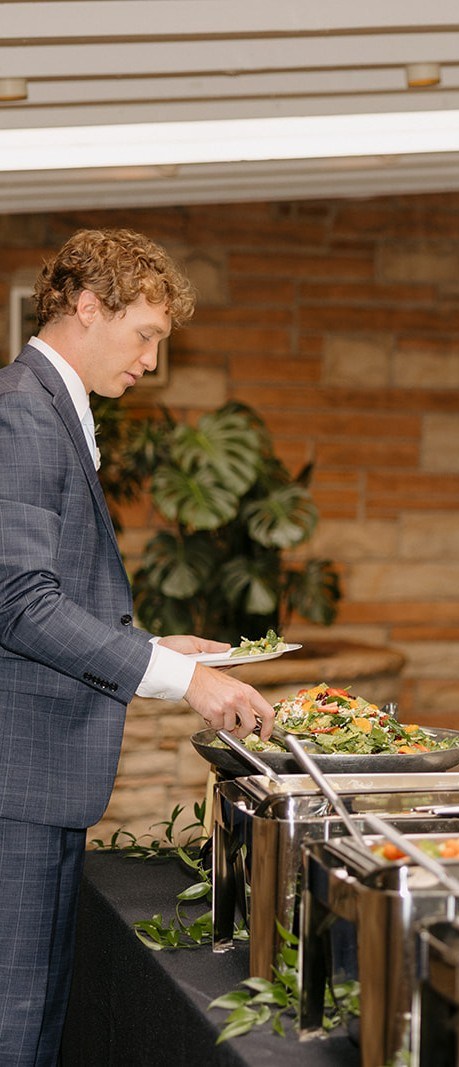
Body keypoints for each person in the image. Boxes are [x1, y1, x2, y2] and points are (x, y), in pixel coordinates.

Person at [0, 228, 276, 1065]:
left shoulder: (53, 407)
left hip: (38, 779)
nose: (152, 360)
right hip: (20, 781)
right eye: (146, 335)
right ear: (87, 307)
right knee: (15, 1028)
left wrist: (147, 644)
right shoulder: (22, 411)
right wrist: (182, 678)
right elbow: (18, 602)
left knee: (37, 1019)